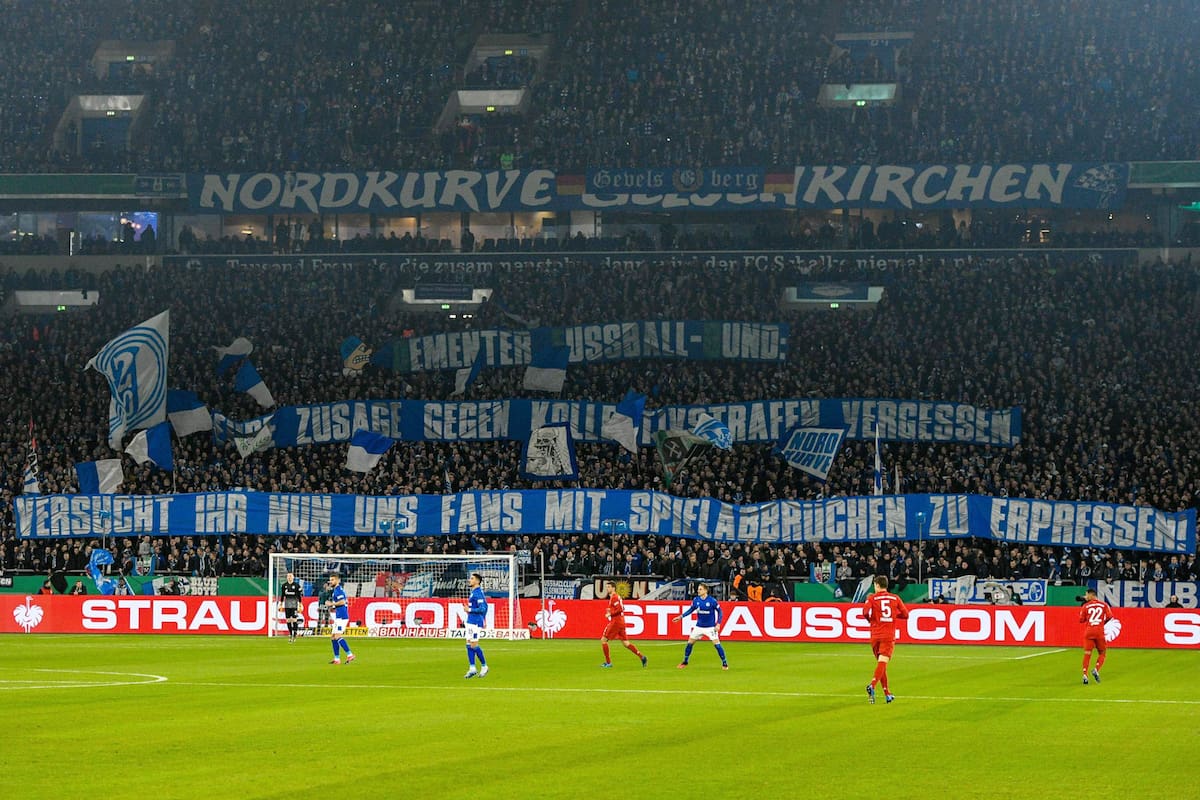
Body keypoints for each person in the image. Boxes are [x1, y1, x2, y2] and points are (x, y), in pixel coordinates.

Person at [865, 574, 909, 704]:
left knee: (881, 664)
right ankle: (872, 685)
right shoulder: (895, 598)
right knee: (882, 663)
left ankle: (887, 693)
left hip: (875, 635)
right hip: (888, 635)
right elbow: (906, 615)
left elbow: (864, 612)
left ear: (877, 585)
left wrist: (871, 620)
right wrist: (893, 616)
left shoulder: (872, 598)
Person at [672, 582, 727, 670]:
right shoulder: (696, 600)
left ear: (705, 590)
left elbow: (720, 612)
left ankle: (725, 663)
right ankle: (685, 661)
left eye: (700, 589)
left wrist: (718, 623)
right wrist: (681, 616)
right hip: (699, 627)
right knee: (689, 643)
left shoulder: (712, 601)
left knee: (717, 645)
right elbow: (691, 610)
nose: (698, 591)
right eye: (698, 589)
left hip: (710, 627)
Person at [600, 580, 647, 668]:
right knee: (626, 643)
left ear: (613, 588)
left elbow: (621, 608)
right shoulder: (616, 597)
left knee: (603, 640)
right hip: (621, 622)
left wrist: (610, 613)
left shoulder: (614, 597)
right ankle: (642, 657)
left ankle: (608, 662)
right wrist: (611, 611)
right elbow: (622, 607)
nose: (607, 589)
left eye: (609, 587)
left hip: (616, 622)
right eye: (606, 587)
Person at [1079, 587, 1113, 684]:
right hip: (1099, 632)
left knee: (1087, 654)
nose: (1086, 596)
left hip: (1089, 631)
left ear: (1092, 595)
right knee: (1102, 653)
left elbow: (1081, 620)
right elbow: (1110, 617)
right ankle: (1096, 669)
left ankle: (1085, 675)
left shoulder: (1085, 606)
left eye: (1087, 595)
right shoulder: (1104, 605)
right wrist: (1102, 623)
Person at [325, 573, 355, 665]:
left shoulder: (339, 590)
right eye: (330, 579)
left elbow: (342, 601)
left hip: (342, 617)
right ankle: (337, 659)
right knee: (333, 637)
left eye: (333, 579)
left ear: (338, 580)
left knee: (337, 636)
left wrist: (331, 604)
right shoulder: (335, 590)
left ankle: (350, 654)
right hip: (339, 616)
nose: (331, 581)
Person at [464, 572, 489, 678]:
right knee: (468, 644)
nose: (470, 580)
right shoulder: (474, 592)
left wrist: (469, 609)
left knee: (473, 644)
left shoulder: (478, 593)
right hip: (471, 621)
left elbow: (483, 608)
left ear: (477, 581)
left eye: (472, 578)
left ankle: (484, 666)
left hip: (475, 622)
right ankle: (472, 668)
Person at [278, 571, 304, 642]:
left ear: (293, 577)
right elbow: (283, 595)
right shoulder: (284, 585)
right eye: (288, 576)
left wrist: (300, 604)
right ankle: (290, 634)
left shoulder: (296, 585)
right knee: (288, 620)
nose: (289, 577)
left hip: (294, 604)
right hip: (287, 604)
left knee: (294, 619)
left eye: (290, 576)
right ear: (287, 577)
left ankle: (294, 633)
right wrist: (281, 603)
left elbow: (299, 596)